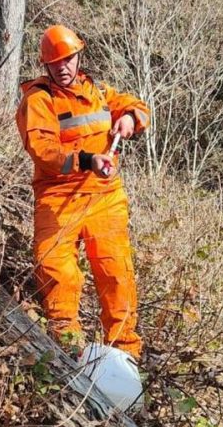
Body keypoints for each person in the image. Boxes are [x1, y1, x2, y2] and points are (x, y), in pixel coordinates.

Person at [14, 25, 150, 361]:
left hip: (105, 197)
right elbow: (44, 152)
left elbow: (137, 105)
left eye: (68, 59)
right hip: (57, 198)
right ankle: (69, 356)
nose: (63, 67)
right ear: (45, 65)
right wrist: (87, 160)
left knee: (116, 274)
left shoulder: (100, 92)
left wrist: (131, 118)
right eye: (55, 62)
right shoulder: (38, 100)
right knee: (58, 274)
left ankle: (126, 357)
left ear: (79, 57)